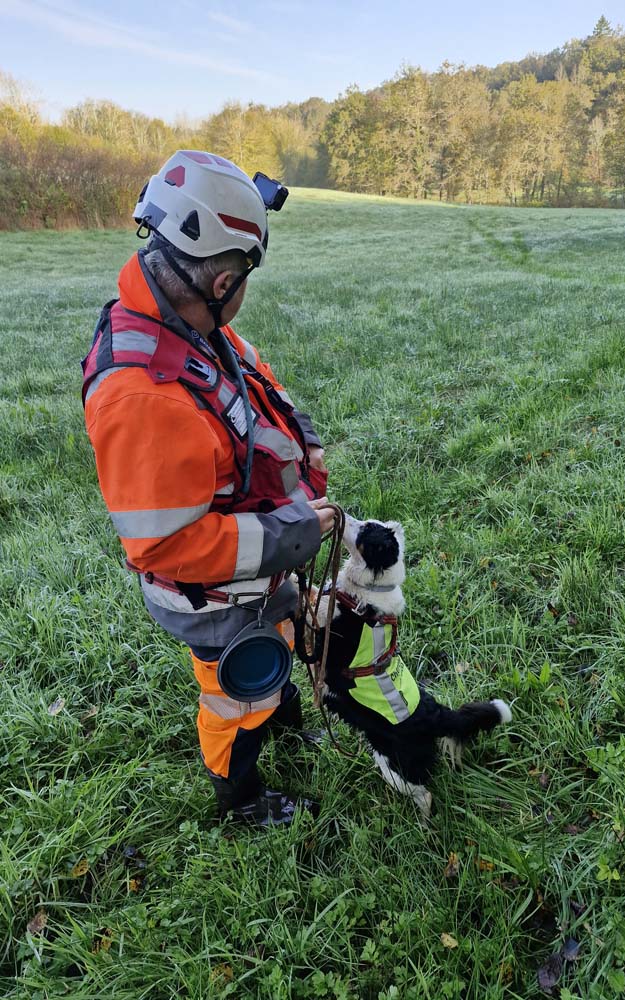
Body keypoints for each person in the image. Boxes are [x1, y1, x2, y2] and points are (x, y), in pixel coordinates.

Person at [82, 150, 335, 827]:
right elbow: (166, 547)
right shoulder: (144, 397)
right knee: (236, 695)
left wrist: (301, 442)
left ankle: (277, 724)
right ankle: (240, 796)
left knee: (278, 643)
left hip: (258, 569)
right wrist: (296, 532)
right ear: (223, 279)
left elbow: (255, 380)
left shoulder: (185, 321)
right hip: (216, 596)